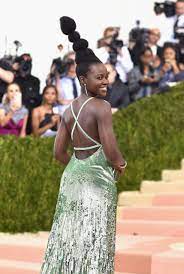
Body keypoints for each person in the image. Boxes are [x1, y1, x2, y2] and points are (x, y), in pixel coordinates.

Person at [40, 16, 127, 274]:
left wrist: (79, 168)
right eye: (99, 78)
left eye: (106, 77)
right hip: (98, 181)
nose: (105, 82)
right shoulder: (102, 107)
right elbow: (110, 149)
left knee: (69, 237)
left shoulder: (67, 111)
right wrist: (120, 164)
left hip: (71, 179)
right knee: (95, 238)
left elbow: (58, 153)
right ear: (82, 79)